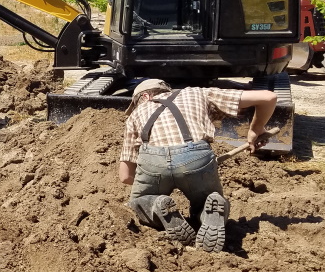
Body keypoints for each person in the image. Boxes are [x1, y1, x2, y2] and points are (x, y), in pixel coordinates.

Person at [118, 79, 277, 252]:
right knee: (207, 200)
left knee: (138, 204)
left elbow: (125, 176)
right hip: (196, 156)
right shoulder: (197, 93)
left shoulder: (135, 115)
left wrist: (151, 179)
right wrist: (256, 129)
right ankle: (209, 208)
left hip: (153, 160)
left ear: (145, 96)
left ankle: (156, 205)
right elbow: (268, 97)